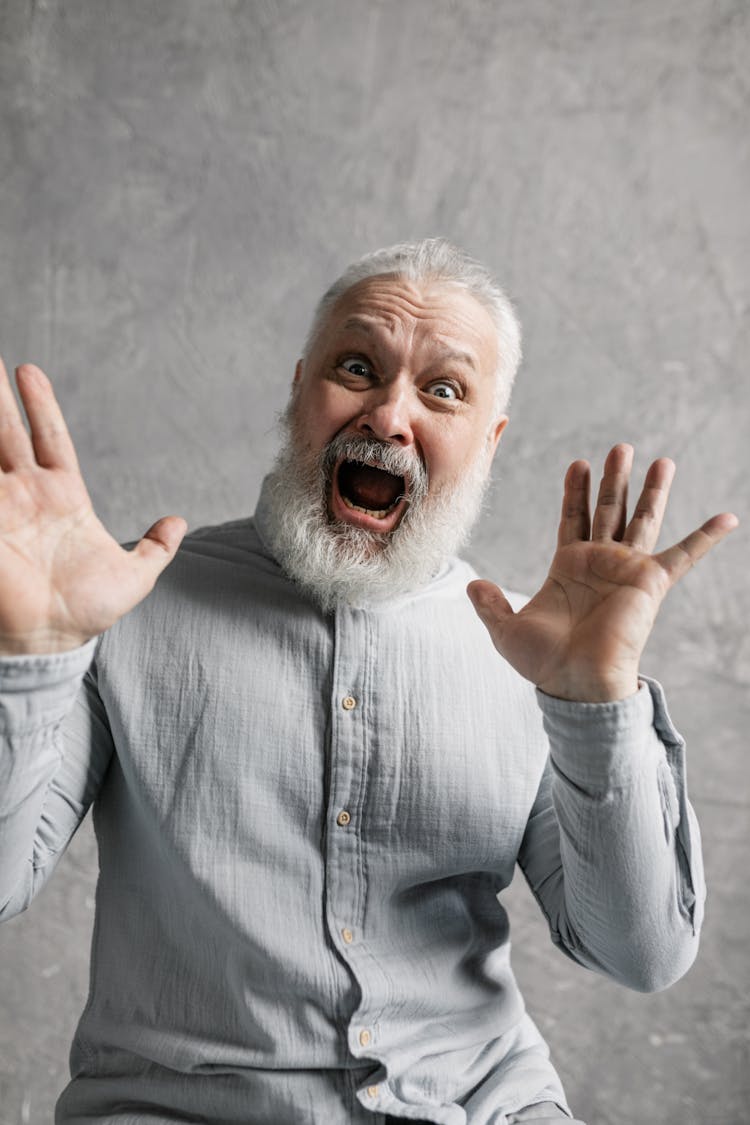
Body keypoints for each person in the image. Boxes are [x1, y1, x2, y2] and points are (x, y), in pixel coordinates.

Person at [0, 239, 737, 1125]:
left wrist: (597, 707)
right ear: (299, 388)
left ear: (489, 442)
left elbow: (641, 953)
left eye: (444, 390)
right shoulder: (124, 606)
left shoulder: (536, 651)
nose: (390, 416)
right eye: (358, 367)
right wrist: (32, 656)